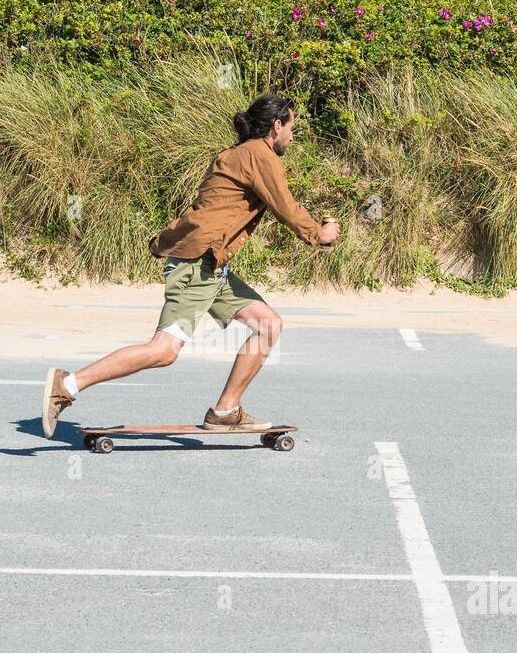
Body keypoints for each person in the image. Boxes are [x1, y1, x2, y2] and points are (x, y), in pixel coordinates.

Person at [41, 93, 339, 438]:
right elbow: (284, 206)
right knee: (163, 351)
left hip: (212, 264)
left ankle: (225, 411)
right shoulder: (259, 154)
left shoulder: (239, 153)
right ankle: (69, 385)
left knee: (268, 325)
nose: (292, 136)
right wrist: (319, 234)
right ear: (276, 125)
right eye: (291, 128)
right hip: (197, 264)